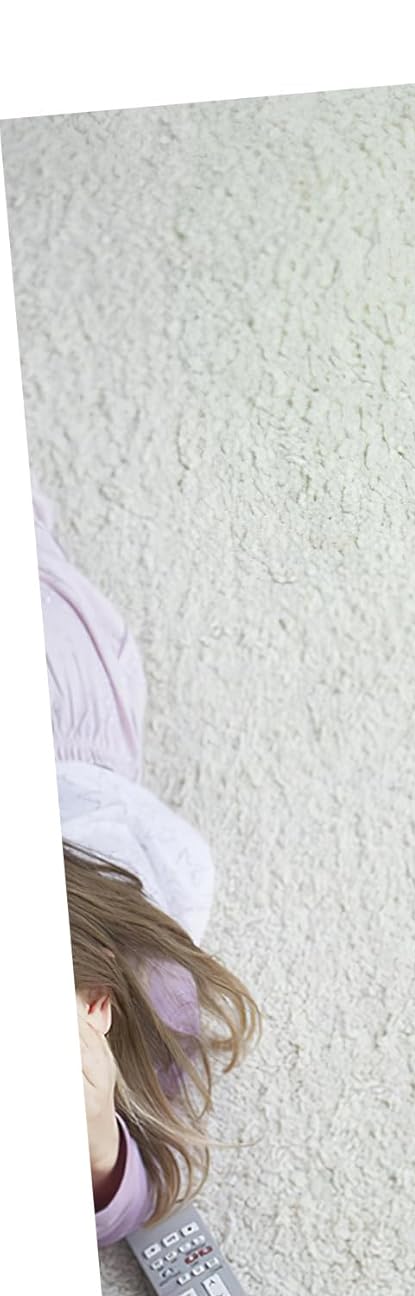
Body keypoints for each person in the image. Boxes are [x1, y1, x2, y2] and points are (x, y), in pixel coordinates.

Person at [34, 482, 260, 1245]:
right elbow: (157, 1172)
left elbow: (135, 1189)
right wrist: (103, 1144)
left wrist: (97, 1140)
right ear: (95, 1004)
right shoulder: (145, 981)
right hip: (64, 704)